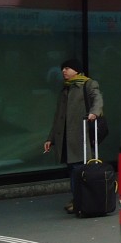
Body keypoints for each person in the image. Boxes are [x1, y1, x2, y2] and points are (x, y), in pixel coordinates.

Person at [44, 59, 104, 214]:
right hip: (66, 138)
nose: (63, 71)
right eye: (62, 68)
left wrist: (94, 113)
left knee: (80, 169)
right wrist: (51, 139)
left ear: (76, 70)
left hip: (80, 135)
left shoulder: (88, 84)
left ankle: (81, 200)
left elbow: (97, 99)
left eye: (67, 68)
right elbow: (58, 117)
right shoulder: (65, 89)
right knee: (73, 170)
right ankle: (78, 199)